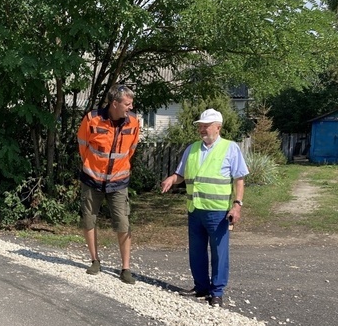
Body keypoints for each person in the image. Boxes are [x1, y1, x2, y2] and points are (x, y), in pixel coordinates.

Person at [160, 108, 249, 307]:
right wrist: (172, 179)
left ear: (218, 127)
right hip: (195, 209)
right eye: (200, 126)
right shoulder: (191, 149)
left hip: (217, 211)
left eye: (206, 126)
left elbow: (239, 179)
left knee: (219, 252)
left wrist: (237, 205)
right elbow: (181, 174)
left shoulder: (230, 148)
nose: (202, 129)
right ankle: (201, 286)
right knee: (197, 251)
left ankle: (216, 292)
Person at [77, 84, 140, 284]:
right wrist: (93, 168)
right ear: (115, 103)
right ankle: (95, 260)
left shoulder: (133, 122)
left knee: (123, 222)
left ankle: (125, 268)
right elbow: (83, 146)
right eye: (127, 104)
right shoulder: (91, 119)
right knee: (89, 219)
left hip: (119, 181)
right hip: (91, 179)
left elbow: (131, 149)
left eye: (131, 104)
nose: (130, 107)